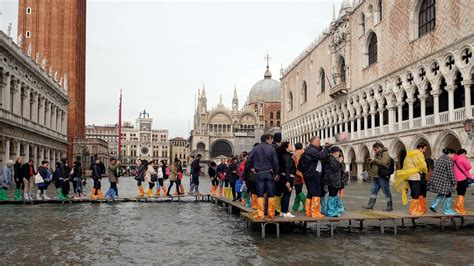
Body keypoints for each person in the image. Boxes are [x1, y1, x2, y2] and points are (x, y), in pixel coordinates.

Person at [247, 134, 279, 220]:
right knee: (271, 193)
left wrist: (252, 168)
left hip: (259, 173)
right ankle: (271, 213)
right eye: (271, 139)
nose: (271, 141)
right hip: (269, 173)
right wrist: (276, 173)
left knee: (260, 194)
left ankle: (260, 214)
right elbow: (275, 163)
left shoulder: (255, 148)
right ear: (267, 139)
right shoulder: (272, 149)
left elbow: (249, 159)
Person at [300, 136, 330, 218]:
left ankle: (308, 211)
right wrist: (327, 148)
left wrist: (323, 147)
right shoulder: (311, 150)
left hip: (310, 174)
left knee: (310, 193)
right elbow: (322, 155)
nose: (319, 143)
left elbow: (319, 152)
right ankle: (315, 213)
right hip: (313, 175)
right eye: (318, 141)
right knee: (316, 193)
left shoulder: (310, 150)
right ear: (314, 142)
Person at [395, 143, 428, 215]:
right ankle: (414, 210)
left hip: (409, 176)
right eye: (424, 149)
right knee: (416, 194)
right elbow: (423, 165)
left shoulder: (409, 154)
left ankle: (418, 208)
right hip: (416, 176)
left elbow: (405, 165)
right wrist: (426, 171)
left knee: (414, 193)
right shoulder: (419, 154)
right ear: (421, 148)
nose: (424, 151)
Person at [363, 143, 393, 211]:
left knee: (386, 191)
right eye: (374, 150)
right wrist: (371, 162)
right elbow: (377, 164)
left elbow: (384, 163)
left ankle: (389, 206)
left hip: (382, 176)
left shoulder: (385, 153)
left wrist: (374, 160)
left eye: (375, 149)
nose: (375, 151)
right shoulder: (376, 154)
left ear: (380, 148)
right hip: (375, 176)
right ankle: (370, 205)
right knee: (373, 192)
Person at [428, 148, 457, 215]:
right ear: (449, 153)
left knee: (443, 192)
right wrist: (454, 182)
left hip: (437, 179)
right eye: (453, 155)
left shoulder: (440, 159)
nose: (453, 156)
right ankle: (447, 210)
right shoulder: (448, 161)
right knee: (448, 193)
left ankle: (434, 205)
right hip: (444, 180)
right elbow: (451, 173)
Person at [324, 146, 345, 217]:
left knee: (334, 195)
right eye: (338, 152)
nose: (339, 153)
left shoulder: (333, 159)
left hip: (335, 180)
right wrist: (339, 162)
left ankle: (332, 210)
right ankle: (330, 212)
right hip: (332, 180)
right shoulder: (330, 159)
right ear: (335, 152)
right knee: (332, 195)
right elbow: (335, 168)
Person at [278, 142, 296, 218]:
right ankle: (285, 211)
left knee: (284, 194)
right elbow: (287, 169)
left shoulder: (285, 156)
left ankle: (283, 211)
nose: (292, 146)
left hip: (284, 177)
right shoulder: (287, 157)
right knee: (287, 195)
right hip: (288, 177)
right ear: (286, 148)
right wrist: (288, 181)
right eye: (290, 145)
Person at [452, 149, 472, 214]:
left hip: (456, 179)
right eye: (465, 154)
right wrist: (467, 160)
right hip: (462, 178)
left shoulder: (454, 158)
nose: (465, 155)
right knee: (462, 194)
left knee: (459, 193)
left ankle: (457, 207)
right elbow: (469, 167)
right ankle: (460, 208)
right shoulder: (462, 158)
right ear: (463, 153)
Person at [292, 143, 306, 212]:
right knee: (298, 191)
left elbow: (293, 165)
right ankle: (295, 207)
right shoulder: (305, 152)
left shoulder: (294, 154)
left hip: (297, 174)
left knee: (298, 190)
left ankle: (306, 205)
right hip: (304, 173)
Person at [272, 133, 283, 213]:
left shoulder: (270, 147)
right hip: (276, 173)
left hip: (269, 172)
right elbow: (278, 162)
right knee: (277, 191)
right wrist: (277, 173)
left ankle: (270, 208)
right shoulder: (278, 149)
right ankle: (277, 209)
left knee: (270, 191)